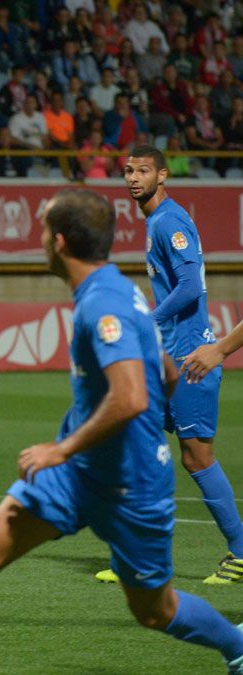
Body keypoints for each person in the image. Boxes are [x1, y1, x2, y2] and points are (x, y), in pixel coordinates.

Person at [0, 189, 243, 675]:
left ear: (61, 242)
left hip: (131, 487)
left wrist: (62, 447)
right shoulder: (116, 288)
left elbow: (132, 396)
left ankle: (237, 649)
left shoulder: (102, 304)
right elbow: (166, 374)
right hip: (80, 474)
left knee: (156, 611)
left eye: (44, 230)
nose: (41, 239)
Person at [97, 146, 243, 585]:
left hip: (192, 358)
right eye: (127, 171)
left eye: (143, 171)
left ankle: (240, 552)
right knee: (132, 443)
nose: (132, 178)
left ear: (163, 175)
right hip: (170, 358)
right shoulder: (156, 221)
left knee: (197, 459)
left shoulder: (170, 221)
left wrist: (148, 319)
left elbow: (190, 286)